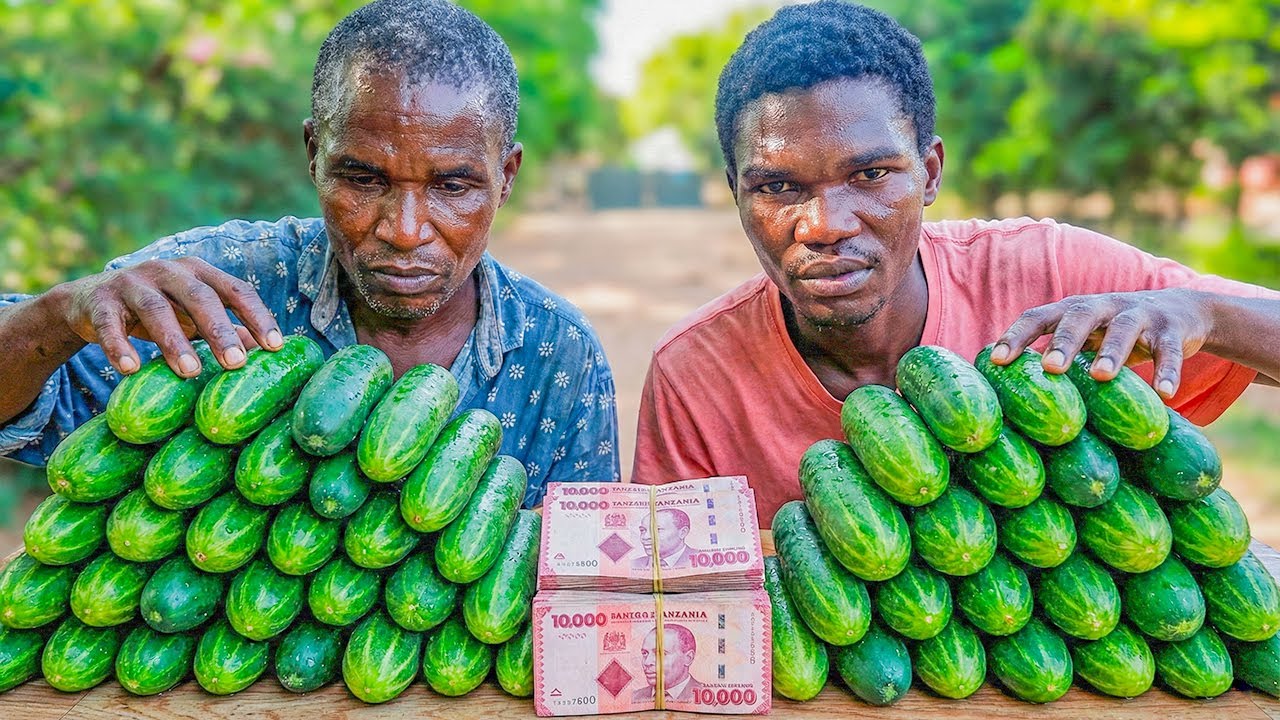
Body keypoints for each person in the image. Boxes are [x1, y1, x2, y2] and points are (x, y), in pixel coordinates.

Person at [631, 0, 1280, 526]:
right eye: (778, 187)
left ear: (930, 172)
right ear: (737, 195)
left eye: (871, 174)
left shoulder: (1048, 273)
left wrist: (1205, 314)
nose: (825, 225)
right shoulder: (696, 378)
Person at [0, 0, 620, 504]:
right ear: (313, 155)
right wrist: (57, 315)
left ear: (505, 177)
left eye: (453, 186)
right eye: (363, 179)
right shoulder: (212, 287)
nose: (405, 230)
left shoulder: (557, 358)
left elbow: (583, 597)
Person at [633, 623, 704, 703]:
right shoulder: (635, 697)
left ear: (688, 658)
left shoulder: (704, 694)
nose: (647, 662)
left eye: (660, 653)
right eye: (645, 653)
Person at [632, 507, 698, 571]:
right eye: (642, 530)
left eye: (657, 530)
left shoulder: (698, 558)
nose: (645, 537)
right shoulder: (635, 563)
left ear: (683, 533)